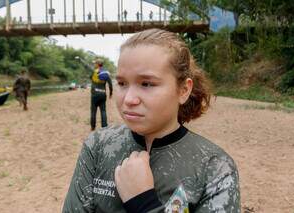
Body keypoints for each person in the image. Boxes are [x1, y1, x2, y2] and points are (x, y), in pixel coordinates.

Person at [63, 29, 240, 212]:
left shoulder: (215, 166)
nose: (129, 99)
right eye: (122, 83)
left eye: (146, 84)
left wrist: (143, 203)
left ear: (183, 90)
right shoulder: (97, 146)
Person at [89, 59, 113, 131]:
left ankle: (93, 127)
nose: (94, 65)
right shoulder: (106, 73)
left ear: (97, 64)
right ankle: (104, 127)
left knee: (93, 111)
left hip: (95, 94)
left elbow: (90, 78)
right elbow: (110, 84)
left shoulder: (94, 72)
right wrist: (111, 93)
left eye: (95, 63)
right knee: (103, 111)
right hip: (103, 94)